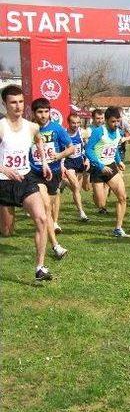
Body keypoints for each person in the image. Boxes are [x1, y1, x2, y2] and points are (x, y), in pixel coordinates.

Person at [0, 85, 53, 280]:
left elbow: (38, 140)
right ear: (5, 104)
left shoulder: (32, 126)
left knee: (41, 218)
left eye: (21, 101)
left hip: (25, 179)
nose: (18, 106)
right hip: (3, 183)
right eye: (13, 102)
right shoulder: (1, 126)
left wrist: (45, 163)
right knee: (6, 231)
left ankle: (40, 267)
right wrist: (4, 169)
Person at [27, 98, 74, 256]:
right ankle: (56, 246)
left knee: (49, 208)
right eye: (40, 112)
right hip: (35, 173)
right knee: (46, 206)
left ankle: (48, 232)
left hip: (53, 173)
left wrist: (58, 156)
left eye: (46, 112)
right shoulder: (29, 129)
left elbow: (71, 148)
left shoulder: (57, 129)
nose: (43, 115)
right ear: (33, 113)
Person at [85, 106, 130, 236]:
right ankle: (96, 193)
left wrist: (119, 161)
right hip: (98, 168)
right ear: (106, 120)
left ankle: (118, 228)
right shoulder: (99, 132)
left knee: (122, 197)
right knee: (101, 204)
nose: (116, 124)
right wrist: (99, 165)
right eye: (113, 121)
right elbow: (88, 150)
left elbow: (114, 147)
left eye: (118, 121)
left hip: (111, 166)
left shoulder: (118, 132)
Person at [62, 113, 90, 222]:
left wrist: (87, 159)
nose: (76, 125)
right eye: (73, 123)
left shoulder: (82, 132)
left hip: (79, 161)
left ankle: (64, 183)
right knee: (76, 187)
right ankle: (82, 213)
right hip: (68, 162)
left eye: (78, 122)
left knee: (81, 188)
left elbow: (87, 146)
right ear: (68, 123)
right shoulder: (63, 133)